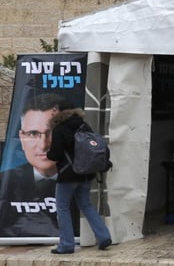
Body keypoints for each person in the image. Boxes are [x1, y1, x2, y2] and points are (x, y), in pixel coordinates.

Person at [45, 101, 112, 254]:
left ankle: (67, 245)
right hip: (86, 174)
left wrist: (48, 154)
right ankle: (103, 236)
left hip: (68, 174)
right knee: (86, 205)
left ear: (61, 112)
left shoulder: (60, 129)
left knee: (62, 207)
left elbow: (55, 154)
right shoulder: (84, 126)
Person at [0, 93, 64, 237]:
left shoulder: (89, 183)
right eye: (33, 134)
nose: (43, 145)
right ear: (21, 138)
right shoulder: (4, 182)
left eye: (52, 133)